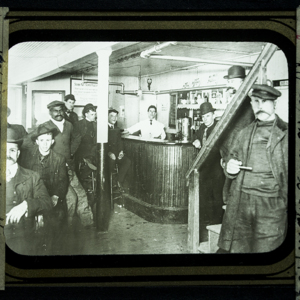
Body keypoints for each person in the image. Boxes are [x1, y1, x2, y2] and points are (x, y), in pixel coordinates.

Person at [218, 84, 287, 253]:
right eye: (256, 102)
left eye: (265, 101)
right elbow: (230, 159)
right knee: (239, 252)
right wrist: (230, 167)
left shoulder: (287, 133)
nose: (259, 106)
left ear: (274, 104)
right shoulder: (243, 133)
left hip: (272, 205)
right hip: (241, 202)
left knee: (267, 253)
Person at [20, 124, 69, 254]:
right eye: (42, 140)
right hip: (33, 196)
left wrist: (56, 196)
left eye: (48, 140)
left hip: (52, 196)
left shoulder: (59, 159)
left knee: (57, 221)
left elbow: (62, 181)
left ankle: (53, 251)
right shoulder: (27, 159)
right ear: (36, 142)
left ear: (53, 141)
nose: (45, 144)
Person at [5, 128, 52, 255]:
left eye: (12, 150)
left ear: (18, 153)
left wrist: (27, 204)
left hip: (24, 238)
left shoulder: (32, 176)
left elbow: (47, 202)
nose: (7, 154)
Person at [192, 102, 225, 236]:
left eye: (208, 116)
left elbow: (219, 147)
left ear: (214, 115)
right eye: (203, 117)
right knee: (206, 196)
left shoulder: (218, 128)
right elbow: (195, 137)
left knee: (217, 196)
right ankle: (210, 223)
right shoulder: (202, 128)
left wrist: (202, 145)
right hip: (204, 168)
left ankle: (217, 225)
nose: (205, 119)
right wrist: (195, 141)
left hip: (216, 168)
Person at [75, 103, 97, 214]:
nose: (94, 116)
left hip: (92, 151)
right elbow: (77, 141)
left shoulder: (96, 125)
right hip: (81, 150)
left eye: (95, 114)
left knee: (94, 160)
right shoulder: (79, 124)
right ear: (86, 114)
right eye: (92, 114)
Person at [107, 108, 131, 192]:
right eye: (111, 116)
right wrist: (109, 153)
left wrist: (121, 151)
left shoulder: (117, 129)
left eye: (116, 116)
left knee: (127, 161)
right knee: (111, 162)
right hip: (107, 155)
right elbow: (102, 144)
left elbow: (120, 142)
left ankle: (118, 182)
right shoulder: (103, 129)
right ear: (107, 116)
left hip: (116, 154)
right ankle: (108, 184)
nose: (114, 118)